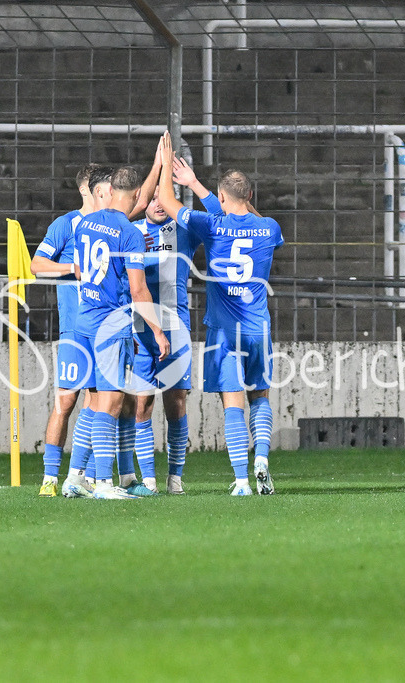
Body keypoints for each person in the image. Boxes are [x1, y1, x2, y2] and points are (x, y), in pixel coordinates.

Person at [156, 132, 283, 496]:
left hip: (223, 330)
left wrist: (168, 167)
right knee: (259, 395)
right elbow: (244, 215)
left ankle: (242, 481)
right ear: (251, 197)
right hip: (257, 326)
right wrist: (204, 187)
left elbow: (166, 199)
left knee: (232, 401)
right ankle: (262, 461)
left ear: (223, 197)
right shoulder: (269, 227)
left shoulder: (211, 225)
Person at [66, 165, 170, 500]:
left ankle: (74, 479)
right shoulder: (130, 233)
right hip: (110, 324)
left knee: (94, 402)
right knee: (111, 404)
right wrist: (157, 330)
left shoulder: (85, 222)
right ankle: (104, 485)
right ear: (137, 194)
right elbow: (139, 291)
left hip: (83, 319)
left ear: (109, 191)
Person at [130, 160, 222, 494]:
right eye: (150, 198)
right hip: (139, 329)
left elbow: (221, 219)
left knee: (176, 403)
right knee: (142, 404)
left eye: (162, 197)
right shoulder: (132, 231)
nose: (157, 204)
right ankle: (148, 480)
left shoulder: (183, 229)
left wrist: (195, 183)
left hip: (176, 328)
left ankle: (175, 478)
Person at [29, 163, 100, 497]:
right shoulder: (66, 224)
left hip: (105, 329)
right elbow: (37, 264)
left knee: (98, 402)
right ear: (86, 189)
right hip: (74, 329)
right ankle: (49, 478)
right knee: (65, 401)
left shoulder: (112, 225)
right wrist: (73, 268)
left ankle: (84, 476)